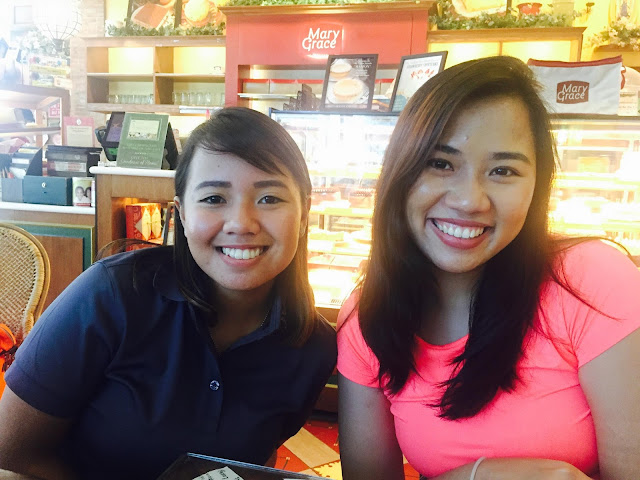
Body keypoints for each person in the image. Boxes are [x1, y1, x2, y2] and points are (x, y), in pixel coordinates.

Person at [337, 56, 640, 480]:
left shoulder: (592, 281)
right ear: (401, 171)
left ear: (537, 186)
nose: (469, 201)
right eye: (441, 163)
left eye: (503, 170)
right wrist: (476, 476)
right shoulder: (368, 316)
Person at [0, 107, 337, 480]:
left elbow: (256, 458)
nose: (241, 223)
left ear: (304, 214)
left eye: (270, 198)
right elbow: (11, 451)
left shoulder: (313, 347)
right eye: (214, 198)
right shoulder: (111, 296)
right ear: (182, 214)